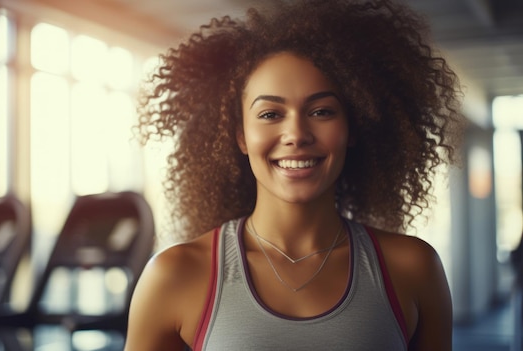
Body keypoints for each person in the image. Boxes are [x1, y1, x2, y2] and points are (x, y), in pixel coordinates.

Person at [125, 0, 464, 349]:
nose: (297, 134)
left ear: (353, 128)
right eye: (270, 114)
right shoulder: (175, 276)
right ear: (240, 136)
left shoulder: (412, 268)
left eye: (321, 111)